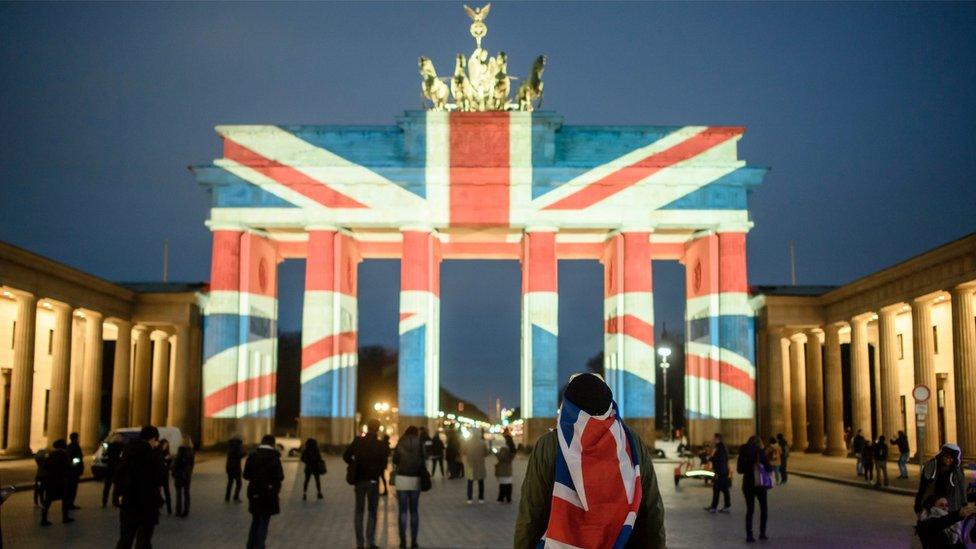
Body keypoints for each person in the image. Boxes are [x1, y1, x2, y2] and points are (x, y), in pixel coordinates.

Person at [514, 373, 666, 549]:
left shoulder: (549, 445)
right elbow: (652, 509)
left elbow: (531, 513)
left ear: (568, 406)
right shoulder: (631, 443)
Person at [113, 425, 167, 549]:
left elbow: (118, 475)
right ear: (153, 439)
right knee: (144, 540)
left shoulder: (127, 452)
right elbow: (160, 478)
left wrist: (117, 497)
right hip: (147, 504)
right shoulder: (153, 455)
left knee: (125, 539)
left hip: (128, 503)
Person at [343, 418, 390, 549]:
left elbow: (346, 456)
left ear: (367, 427)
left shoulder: (358, 441)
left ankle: (360, 543)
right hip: (373, 481)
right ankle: (370, 542)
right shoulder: (381, 445)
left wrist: (354, 464)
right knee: (372, 512)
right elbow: (384, 464)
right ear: (378, 429)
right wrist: (376, 470)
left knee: (359, 511)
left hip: (359, 481)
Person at [243, 434, 284, 549]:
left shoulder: (252, 456)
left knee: (255, 520)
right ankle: (260, 546)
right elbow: (280, 477)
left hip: (254, 492)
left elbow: (246, 475)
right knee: (264, 521)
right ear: (273, 444)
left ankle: (250, 545)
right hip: (269, 494)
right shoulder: (275, 458)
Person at [393, 426, 425, 548]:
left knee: (402, 511)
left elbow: (395, 459)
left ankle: (402, 541)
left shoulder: (401, 441)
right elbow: (424, 458)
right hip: (415, 479)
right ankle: (414, 541)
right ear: (416, 433)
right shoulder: (419, 442)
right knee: (414, 511)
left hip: (402, 479)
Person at [737, 436, 771, 543]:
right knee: (763, 509)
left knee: (750, 510)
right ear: (759, 443)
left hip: (747, 485)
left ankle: (749, 534)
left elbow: (739, 470)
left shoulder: (743, 453)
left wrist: (749, 467)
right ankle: (762, 533)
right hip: (759, 484)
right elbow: (768, 468)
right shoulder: (760, 452)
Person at [915, 444, 967, 515]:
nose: (949, 460)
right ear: (942, 456)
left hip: (950, 504)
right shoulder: (931, 466)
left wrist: (964, 504)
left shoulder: (957, 471)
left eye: (952, 458)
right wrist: (918, 506)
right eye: (946, 457)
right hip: (932, 501)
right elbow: (923, 487)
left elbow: (962, 488)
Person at [40, 439, 72, 526]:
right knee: (65, 499)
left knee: (48, 501)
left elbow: (45, 466)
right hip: (61, 480)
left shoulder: (50, 454)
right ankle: (65, 517)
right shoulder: (64, 454)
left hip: (50, 480)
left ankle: (44, 518)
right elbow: (68, 466)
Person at [704, 433, 731, 513]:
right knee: (725, 489)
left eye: (713, 438)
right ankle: (727, 506)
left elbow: (719, 459)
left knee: (716, 488)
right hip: (724, 471)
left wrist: (710, 458)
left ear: (717, 439)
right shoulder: (722, 447)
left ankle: (714, 507)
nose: (712, 440)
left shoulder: (719, 448)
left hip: (720, 471)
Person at [464, 428, 489, 504]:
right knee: (481, 481)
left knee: (470, 481)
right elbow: (486, 453)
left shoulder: (468, 442)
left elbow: (464, 451)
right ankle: (481, 498)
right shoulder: (482, 442)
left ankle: (469, 498)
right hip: (480, 463)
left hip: (470, 464)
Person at [172, 438, 195, 518]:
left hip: (179, 474)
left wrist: (173, 472)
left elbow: (177, 463)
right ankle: (186, 511)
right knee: (187, 493)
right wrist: (189, 472)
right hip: (187, 475)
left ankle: (178, 511)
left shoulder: (180, 450)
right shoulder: (191, 451)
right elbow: (192, 464)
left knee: (179, 494)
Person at [102, 433, 125, 508]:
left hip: (110, 467)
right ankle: (115, 501)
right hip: (116, 468)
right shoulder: (121, 446)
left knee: (108, 486)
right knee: (117, 486)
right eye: (121, 437)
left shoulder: (110, 445)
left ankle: (104, 501)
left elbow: (105, 454)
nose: (122, 439)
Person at [225, 435, 245, 502]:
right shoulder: (238, 445)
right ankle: (235, 497)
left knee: (230, 482)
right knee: (239, 483)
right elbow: (239, 455)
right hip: (236, 467)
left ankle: (227, 497)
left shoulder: (230, 445)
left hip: (229, 466)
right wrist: (245, 453)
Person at [66, 432, 83, 510]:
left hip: (71, 471)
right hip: (74, 471)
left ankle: (69, 503)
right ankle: (70, 503)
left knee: (70, 488)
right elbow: (76, 458)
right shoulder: (75, 446)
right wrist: (76, 464)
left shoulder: (69, 446)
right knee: (72, 488)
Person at [157, 439, 173, 515]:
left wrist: (169, 459)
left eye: (167, 445)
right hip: (158, 474)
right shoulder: (158, 452)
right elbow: (158, 461)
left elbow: (169, 464)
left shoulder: (167, 452)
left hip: (165, 474)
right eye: (165, 445)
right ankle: (158, 507)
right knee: (158, 492)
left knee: (167, 492)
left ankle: (169, 509)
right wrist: (165, 459)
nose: (166, 446)